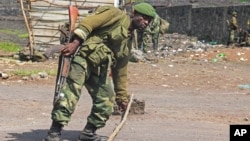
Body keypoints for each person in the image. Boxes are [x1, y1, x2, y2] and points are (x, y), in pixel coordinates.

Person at [43, 2, 155, 141]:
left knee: (107, 99)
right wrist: (74, 44)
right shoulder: (116, 15)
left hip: (100, 67)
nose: (145, 22)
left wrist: (121, 98)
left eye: (149, 21)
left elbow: (120, 69)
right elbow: (89, 23)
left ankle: (88, 133)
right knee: (70, 93)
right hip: (82, 58)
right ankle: (54, 133)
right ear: (134, 13)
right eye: (144, 18)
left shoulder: (128, 40)